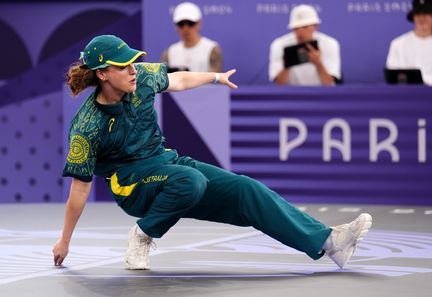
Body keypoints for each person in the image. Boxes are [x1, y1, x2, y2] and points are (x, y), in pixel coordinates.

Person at [52, 34, 372, 271]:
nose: (132, 69)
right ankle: (142, 235)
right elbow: (80, 188)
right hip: (131, 184)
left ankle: (329, 243)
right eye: (122, 66)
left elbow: (177, 80)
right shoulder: (87, 125)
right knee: (190, 181)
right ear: (103, 74)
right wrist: (65, 240)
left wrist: (216, 77)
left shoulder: (142, 78)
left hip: (167, 163)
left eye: (132, 61)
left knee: (245, 189)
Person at [269, 4, 341, 86]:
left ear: (315, 26)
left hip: (321, 95)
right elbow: (280, 84)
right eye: (296, 28)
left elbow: (328, 84)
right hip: (291, 95)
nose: (300, 32)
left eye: (305, 27)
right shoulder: (280, 44)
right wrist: (286, 66)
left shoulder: (330, 44)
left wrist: (318, 63)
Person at [161, 2, 223, 72]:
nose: (186, 28)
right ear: (176, 26)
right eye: (181, 24)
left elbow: (215, 80)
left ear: (199, 24)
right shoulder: (169, 52)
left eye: (190, 23)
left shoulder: (211, 49)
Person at [386, 0, 432, 85]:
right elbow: (393, 75)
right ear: (413, 17)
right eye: (418, 14)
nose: (422, 18)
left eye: (426, 13)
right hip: (406, 95)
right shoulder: (398, 44)